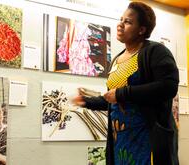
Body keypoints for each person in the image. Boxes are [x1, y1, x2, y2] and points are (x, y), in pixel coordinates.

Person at [73, 1, 179, 165]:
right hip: (120, 141)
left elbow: (168, 86)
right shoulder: (117, 59)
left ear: (141, 30)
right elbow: (113, 99)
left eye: (128, 22)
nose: (120, 25)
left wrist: (123, 93)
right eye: (121, 19)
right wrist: (87, 102)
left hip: (146, 138)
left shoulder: (155, 52)